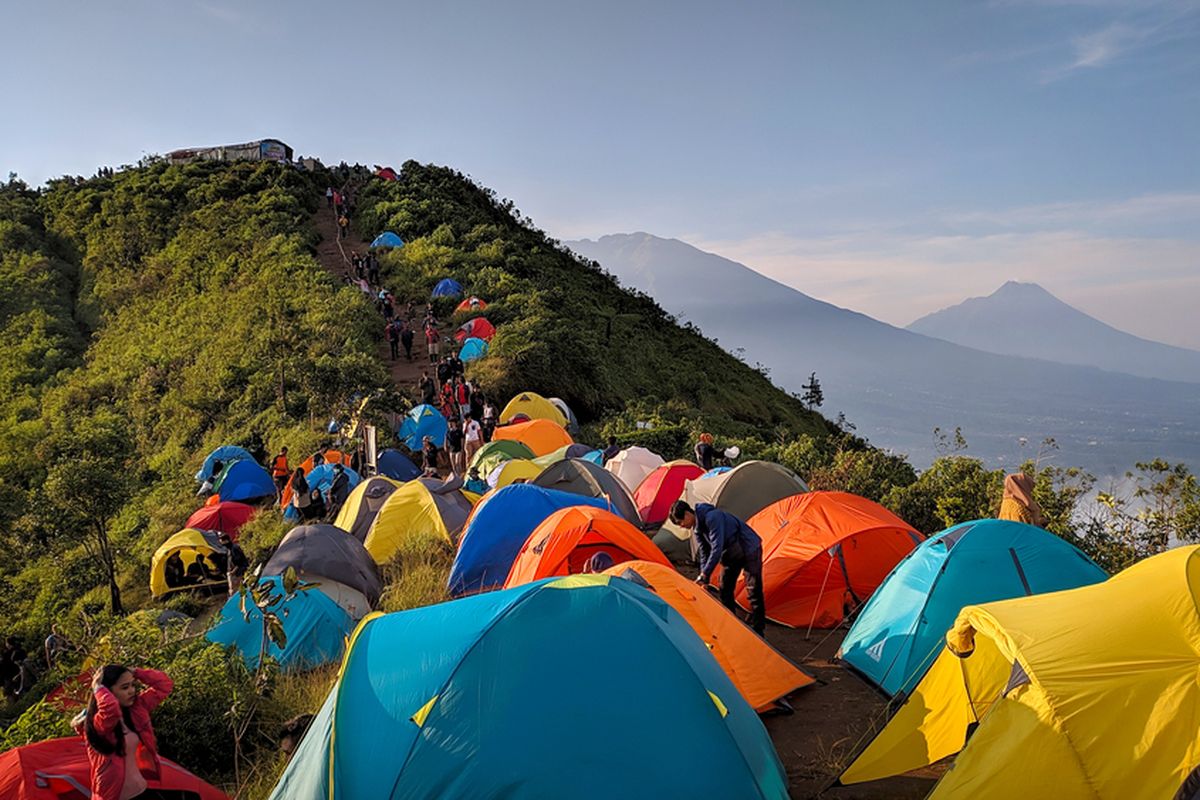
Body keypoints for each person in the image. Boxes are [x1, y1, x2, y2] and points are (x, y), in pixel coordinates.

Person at [73, 664, 173, 800]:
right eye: (125, 687)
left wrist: (136, 672)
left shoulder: (136, 709)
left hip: (142, 790)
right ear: (108, 691)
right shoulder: (99, 723)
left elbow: (164, 685)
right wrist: (97, 688)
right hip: (116, 796)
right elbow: (111, 709)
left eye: (133, 685)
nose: (132, 691)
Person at [669, 500, 766, 635]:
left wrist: (704, 575)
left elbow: (716, 548)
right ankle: (732, 624)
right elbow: (704, 552)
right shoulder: (697, 528)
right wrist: (704, 577)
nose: (682, 526)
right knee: (725, 588)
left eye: (680, 522)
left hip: (749, 547)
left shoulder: (713, 517)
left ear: (687, 514)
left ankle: (758, 628)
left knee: (753, 589)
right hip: (732, 552)